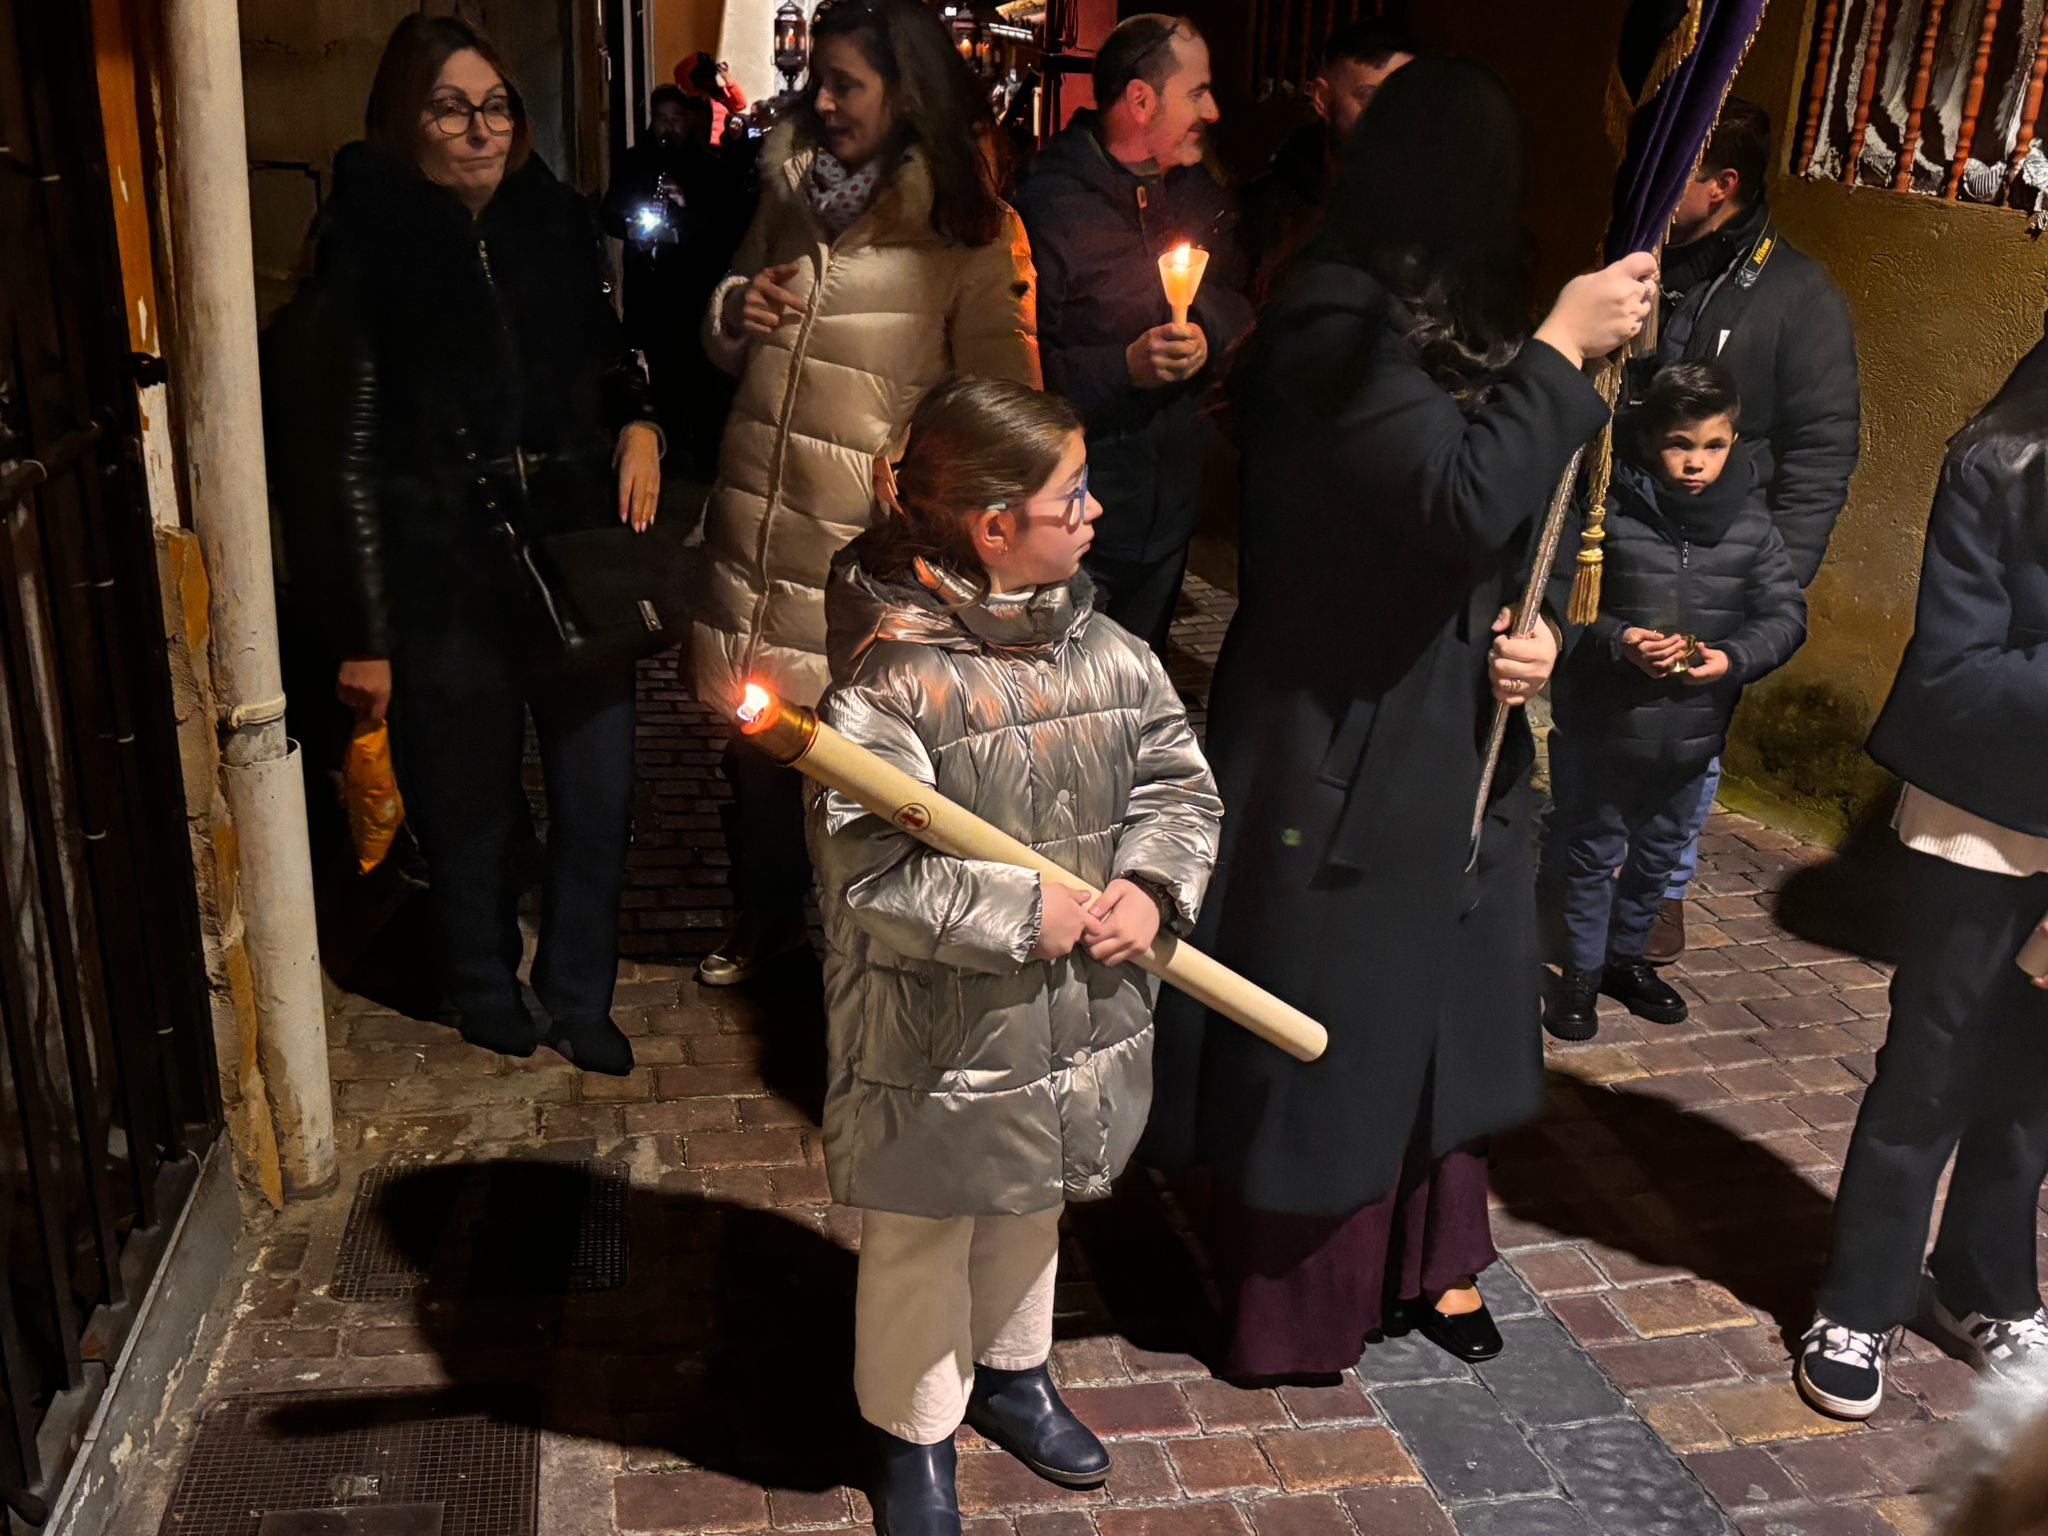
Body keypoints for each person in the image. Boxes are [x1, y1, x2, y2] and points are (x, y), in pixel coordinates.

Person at [1142, 57, 1655, 1379]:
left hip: (1453, 723)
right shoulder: (1330, 320)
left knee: (1448, 1007)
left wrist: (1533, 633)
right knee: (1339, 1010)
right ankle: (1304, 1296)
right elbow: (1454, 497)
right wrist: (1559, 349)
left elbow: (1506, 525)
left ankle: (1431, 1255)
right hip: (1342, 734)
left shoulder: (1451, 317)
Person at [807, 377, 1221, 1536]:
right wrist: (1020, 912)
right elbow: (870, 873)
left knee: (1034, 1195)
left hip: (1076, 1008)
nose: (1095, 513)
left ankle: (1011, 1370)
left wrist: (1149, 886)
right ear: (994, 526)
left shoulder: (1109, 651)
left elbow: (1176, 785)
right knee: (926, 1227)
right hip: (938, 1031)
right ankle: (912, 1428)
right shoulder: (890, 682)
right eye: (1070, 496)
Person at [319, 16, 663, 1073]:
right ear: (404, 120)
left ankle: (579, 992)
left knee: (598, 793)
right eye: (451, 108)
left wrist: (639, 420)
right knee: (464, 804)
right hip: (444, 563)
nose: (481, 129)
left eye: (496, 106)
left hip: (569, 548)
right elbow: (344, 457)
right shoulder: (366, 245)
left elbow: (609, 350)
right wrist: (366, 631)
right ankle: (480, 982)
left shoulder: (552, 221)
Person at [690, 0, 1041, 989]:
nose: (825, 101)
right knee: (757, 749)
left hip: (862, 554)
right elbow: (724, 320)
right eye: (820, 81)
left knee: (861, 770)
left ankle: (876, 959)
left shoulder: (970, 233)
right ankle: (767, 921)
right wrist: (736, 309)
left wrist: (920, 464)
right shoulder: (792, 194)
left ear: (907, 93)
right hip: (760, 527)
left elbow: (1007, 414)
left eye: (846, 83)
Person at [1795, 329, 2048, 1422]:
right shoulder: (1999, 459)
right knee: (1932, 1066)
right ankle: (1860, 1297)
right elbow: (1955, 672)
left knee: (2035, 1083)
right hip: (1985, 822)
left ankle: (1983, 1282)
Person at [1637, 97, 1861, 963]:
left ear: (1721, 184)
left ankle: (1659, 893)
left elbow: (1822, 448)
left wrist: (1775, 577)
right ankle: (1583, 878)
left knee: (1688, 741)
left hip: (1722, 558)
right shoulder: (1640, 261)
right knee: (1604, 721)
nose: (1650, 181)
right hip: (1625, 541)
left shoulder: (1798, 295)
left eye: (1674, 168)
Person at [1540, 363, 1806, 1041]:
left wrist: (1733, 657)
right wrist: (1620, 639)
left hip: (1693, 731)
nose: (1695, 463)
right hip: (1607, 726)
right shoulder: (1606, 513)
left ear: (1734, 439)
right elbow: (1566, 605)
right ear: (1648, 439)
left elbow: (1783, 614)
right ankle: (1579, 974)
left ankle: (1626, 960)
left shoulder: (1749, 520)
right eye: (1679, 445)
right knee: (1592, 852)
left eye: (1713, 445)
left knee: (1659, 854)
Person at [1014, 14, 1255, 660]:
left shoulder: (1198, 192)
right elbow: (1019, 371)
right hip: (1076, 522)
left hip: (1169, 515)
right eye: (1197, 92)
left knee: (1134, 687)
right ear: (1141, 101)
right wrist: (1123, 368)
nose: (1213, 110)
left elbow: (1240, 297)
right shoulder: (1051, 205)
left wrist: (1207, 333)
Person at [601, 86, 756, 480]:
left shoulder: (709, 167)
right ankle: (668, 455)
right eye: (662, 120)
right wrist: (633, 226)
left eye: (676, 119)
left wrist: (687, 207)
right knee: (662, 372)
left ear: (687, 120)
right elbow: (609, 213)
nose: (669, 128)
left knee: (700, 374)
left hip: (692, 289)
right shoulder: (635, 162)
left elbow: (729, 225)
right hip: (651, 288)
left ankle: (705, 458)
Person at [1239, 22, 1415, 303]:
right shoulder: (1263, 212)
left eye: (1404, 98)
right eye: (1369, 97)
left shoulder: (1430, 208)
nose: (1390, 116)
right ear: (1322, 98)